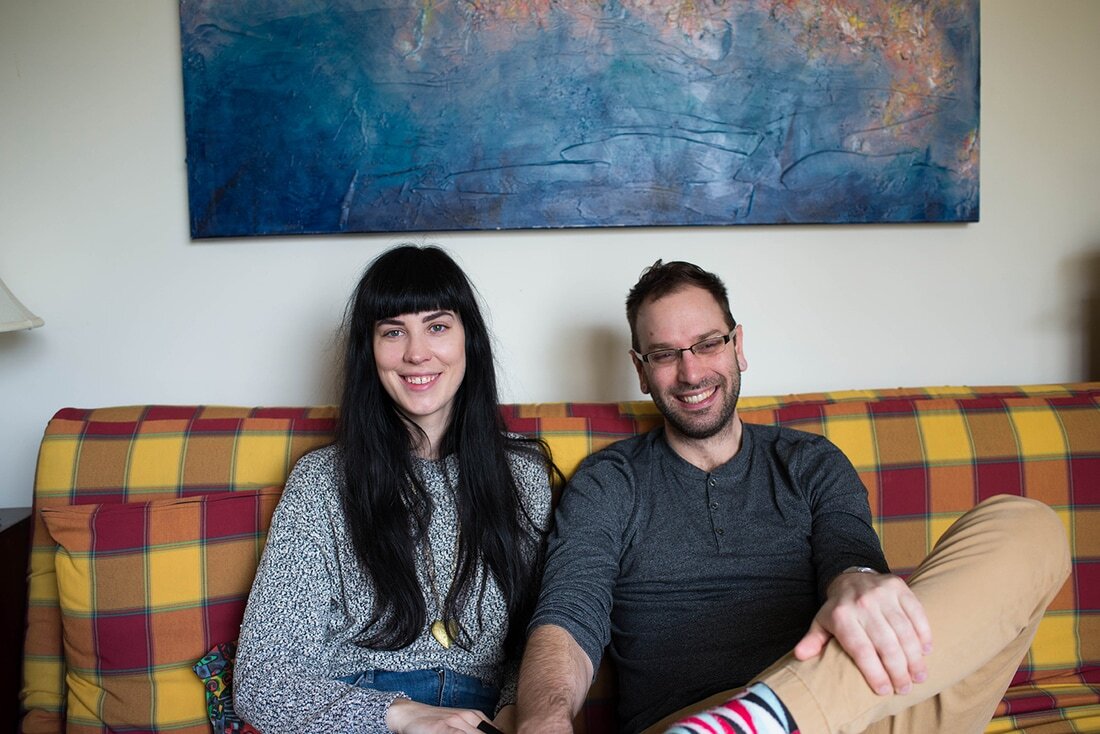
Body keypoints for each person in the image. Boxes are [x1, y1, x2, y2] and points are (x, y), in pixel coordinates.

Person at [514, 259, 1070, 734]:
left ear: (738, 345)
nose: (691, 371)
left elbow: (849, 558)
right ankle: (751, 719)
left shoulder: (810, 462)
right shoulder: (610, 481)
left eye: (708, 343)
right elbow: (569, 614)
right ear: (641, 371)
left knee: (1028, 525)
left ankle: (775, 717)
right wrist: (543, 720)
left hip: (861, 713)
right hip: (695, 718)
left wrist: (858, 580)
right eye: (664, 354)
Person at [235, 245, 554, 734]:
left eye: (438, 326)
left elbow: (538, 637)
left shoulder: (523, 475)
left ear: (469, 339)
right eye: (393, 331)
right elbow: (263, 682)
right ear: (370, 350)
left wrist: (514, 711)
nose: (417, 352)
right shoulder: (320, 482)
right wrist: (399, 717)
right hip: (365, 717)